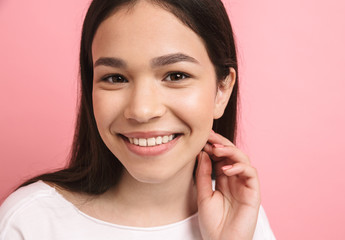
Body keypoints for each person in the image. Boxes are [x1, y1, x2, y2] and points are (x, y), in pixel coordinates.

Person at [0, 0, 276, 239]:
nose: (142, 110)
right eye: (115, 78)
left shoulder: (243, 218)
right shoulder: (30, 222)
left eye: (176, 76)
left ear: (222, 90)